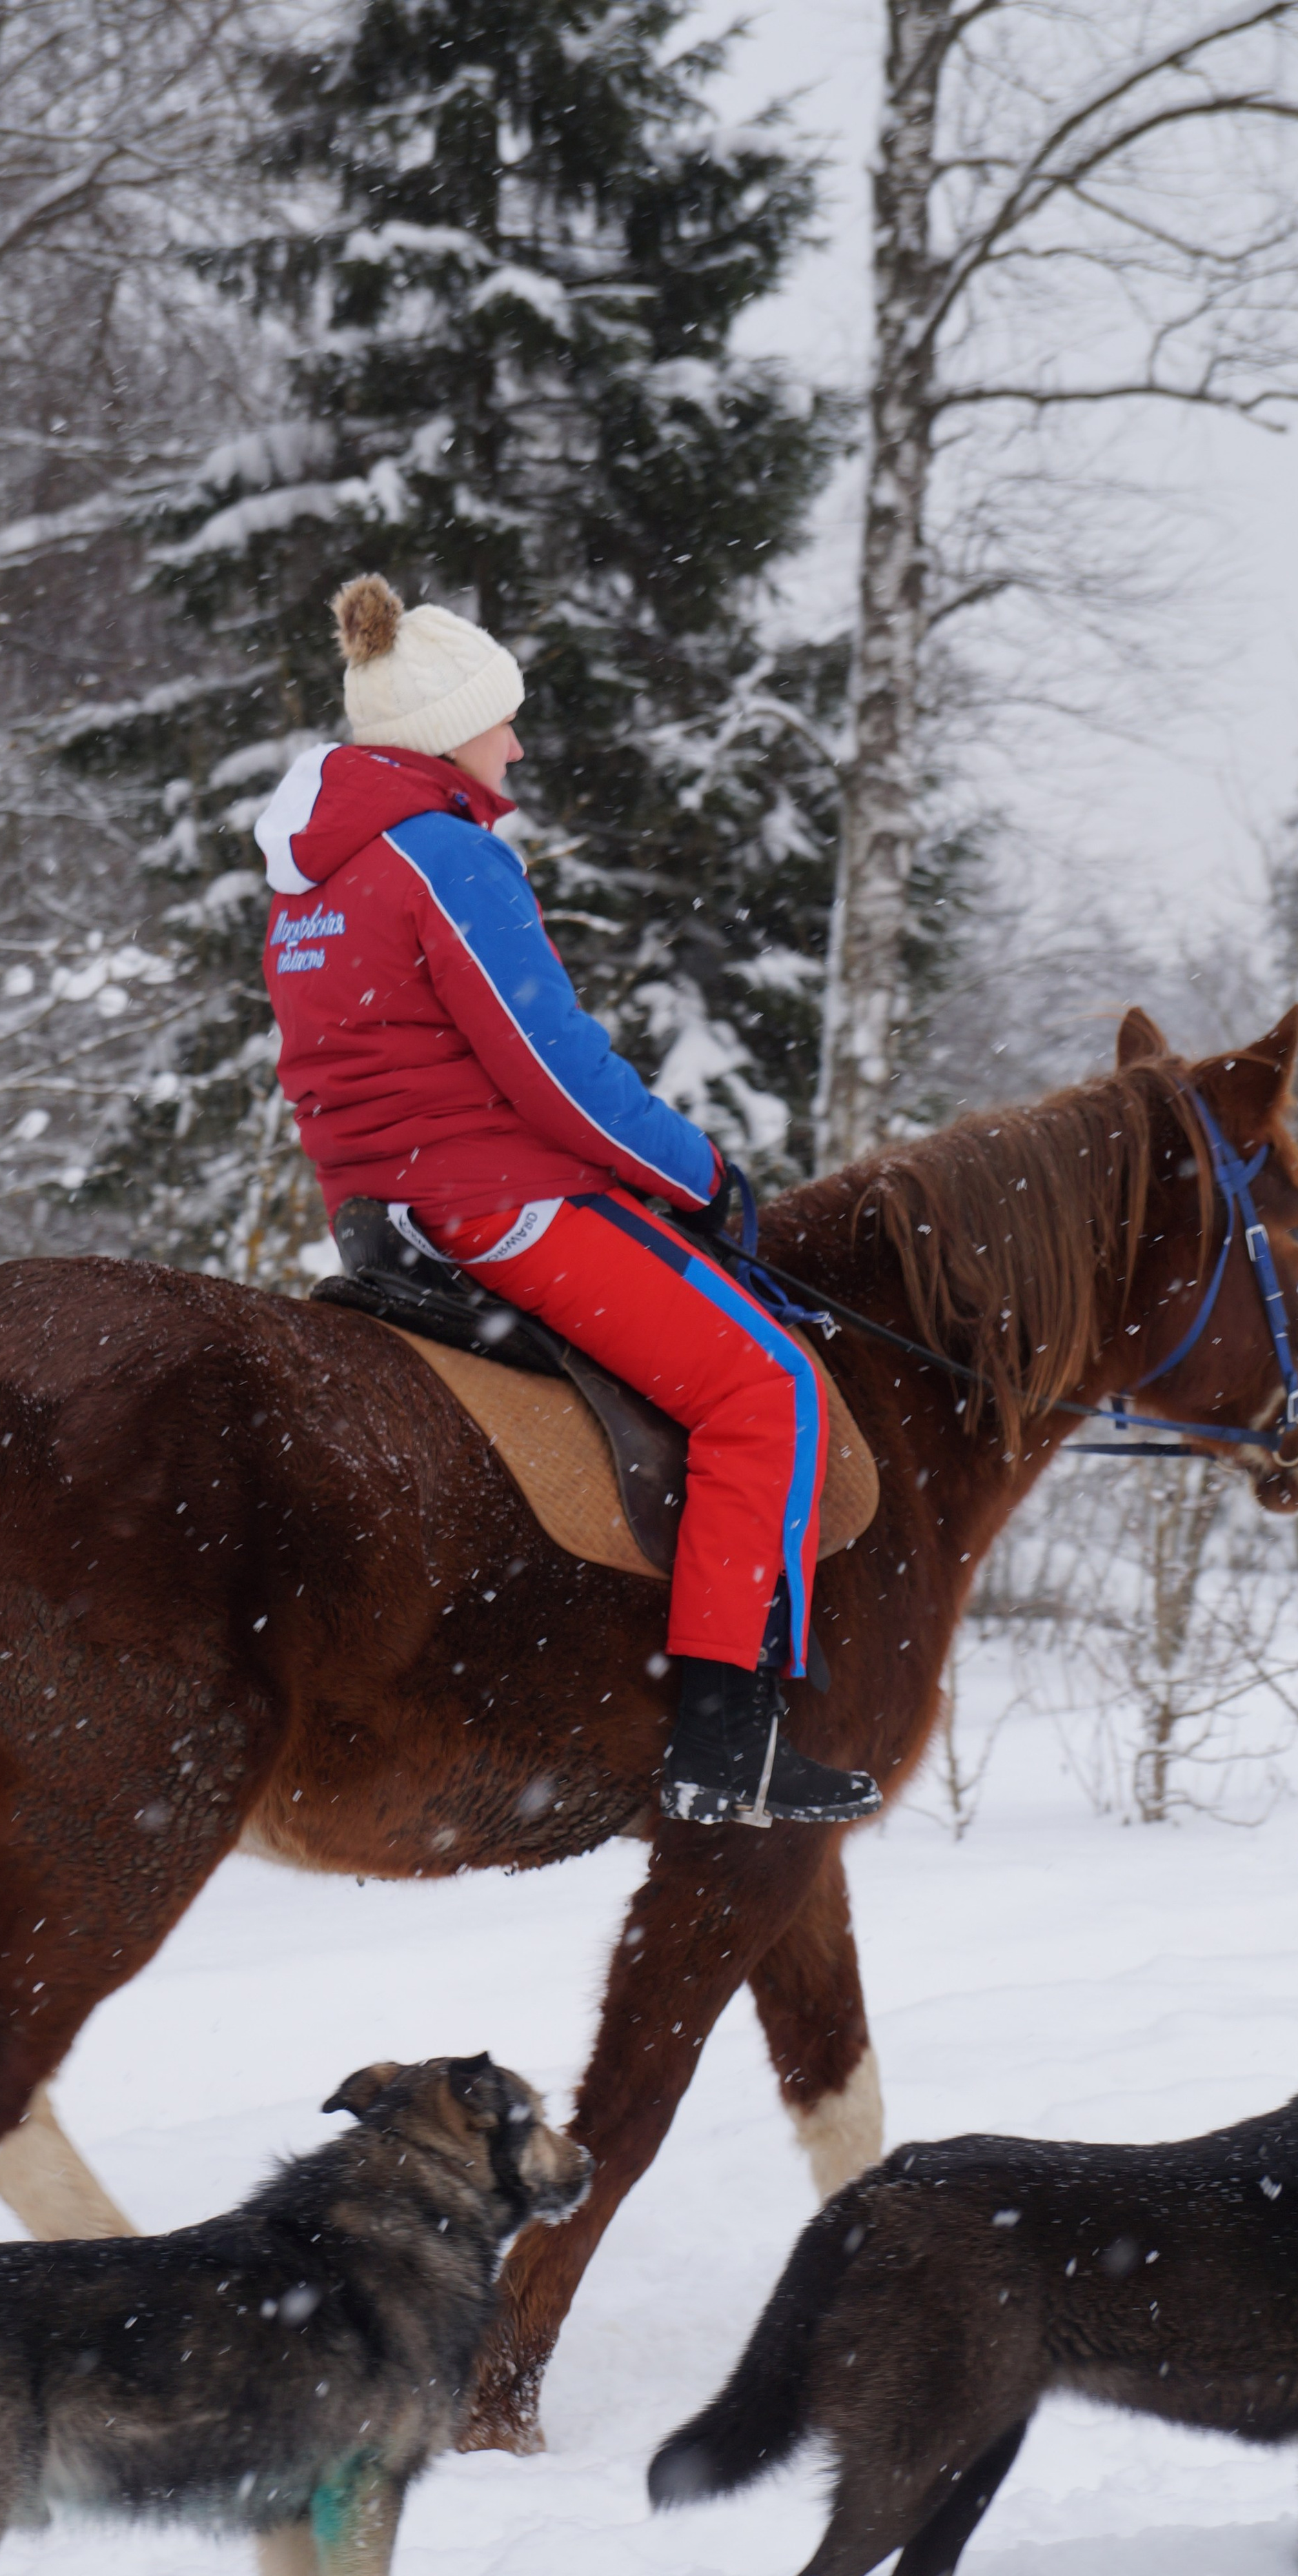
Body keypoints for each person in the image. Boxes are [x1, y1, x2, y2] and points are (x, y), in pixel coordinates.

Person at [253, 574, 879, 1829]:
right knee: (770, 1390)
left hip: (382, 1217)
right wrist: (702, 1173)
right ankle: (728, 1738)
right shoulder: (446, 854)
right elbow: (554, 1069)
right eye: (505, 719)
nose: (519, 745)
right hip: (498, 1207)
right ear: (448, 732)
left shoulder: (313, 883)